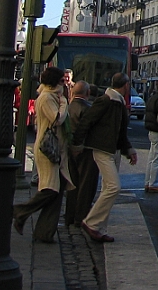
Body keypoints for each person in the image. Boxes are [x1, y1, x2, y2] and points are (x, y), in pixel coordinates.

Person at [71, 73, 137, 243]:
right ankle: (91, 222)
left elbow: (121, 131)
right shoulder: (106, 101)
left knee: (108, 187)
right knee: (114, 187)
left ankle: (100, 227)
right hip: (101, 149)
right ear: (126, 85)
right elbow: (87, 121)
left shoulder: (118, 103)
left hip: (109, 148)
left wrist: (128, 149)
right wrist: (78, 144)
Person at [12, 67, 72, 242]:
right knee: (50, 189)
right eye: (62, 80)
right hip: (48, 148)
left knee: (58, 191)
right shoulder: (47, 98)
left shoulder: (55, 96)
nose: (65, 83)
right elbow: (57, 118)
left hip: (58, 148)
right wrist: (64, 103)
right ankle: (20, 211)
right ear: (55, 82)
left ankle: (44, 232)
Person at [63, 80, 92, 227]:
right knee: (84, 185)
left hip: (69, 148)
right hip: (83, 149)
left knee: (72, 184)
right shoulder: (87, 108)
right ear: (88, 93)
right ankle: (80, 217)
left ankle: (69, 215)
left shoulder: (68, 107)